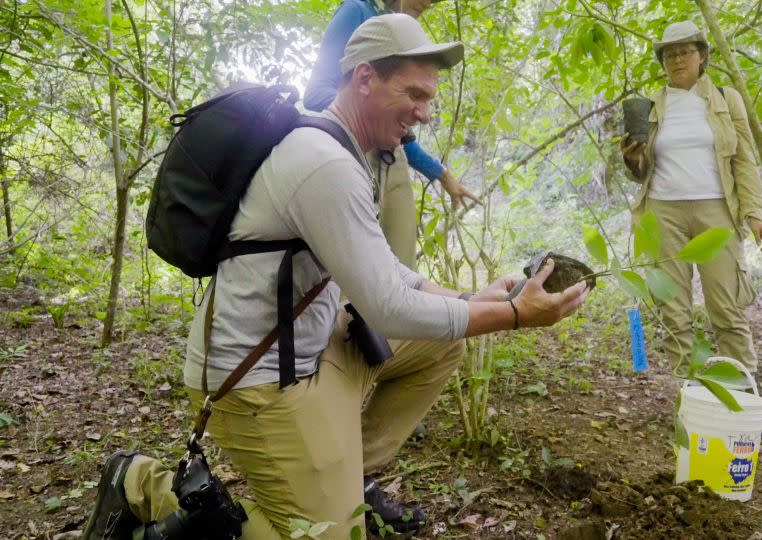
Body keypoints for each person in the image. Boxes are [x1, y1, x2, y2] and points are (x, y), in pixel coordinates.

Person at [81, 14, 588, 540]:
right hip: (252, 383)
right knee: (332, 536)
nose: (426, 112)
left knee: (439, 346)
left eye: (430, 98)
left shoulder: (348, 152)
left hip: (308, 352)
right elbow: (390, 308)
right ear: (364, 77)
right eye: (414, 93)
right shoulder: (323, 162)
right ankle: (141, 481)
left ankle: (348, 475)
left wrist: (469, 297)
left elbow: (386, 273)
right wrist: (511, 315)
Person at [620, 21, 762, 433]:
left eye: (685, 52)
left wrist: (755, 215)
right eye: (669, 55)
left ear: (702, 56)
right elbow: (640, 173)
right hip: (662, 212)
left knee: (726, 305)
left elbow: (743, 161)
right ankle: (690, 398)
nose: (677, 61)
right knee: (673, 309)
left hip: (716, 211)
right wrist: (632, 157)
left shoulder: (727, 100)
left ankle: (744, 400)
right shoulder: (651, 106)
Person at [304, 0, 478, 268]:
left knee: (400, 265)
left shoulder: (400, 29)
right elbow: (316, 94)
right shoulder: (357, 11)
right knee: (352, 273)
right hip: (358, 152)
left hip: (391, 159)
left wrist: (442, 175)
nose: (428, 3)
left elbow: (400, 133)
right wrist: (369, 117)